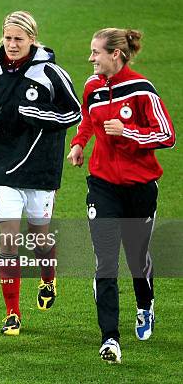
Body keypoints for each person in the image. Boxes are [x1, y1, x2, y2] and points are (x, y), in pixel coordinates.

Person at [0, 11, 81, 336]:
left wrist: (40, 115)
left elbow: (74, 111)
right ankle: (12, 313)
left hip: (40, 167)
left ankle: (48, 279)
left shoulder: (50, 72)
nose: (12, 44)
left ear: (33, 39)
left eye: (19, 39)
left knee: (40, 239)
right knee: (7, 240)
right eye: (8, 38)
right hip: (1, 164)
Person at [67, 28, 175, 364]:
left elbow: (167, 135)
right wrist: (79, 143)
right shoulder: (92, 86)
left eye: (96, 52)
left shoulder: (142, 90)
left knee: (137, 258)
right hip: (102, 185)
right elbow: (87, 118)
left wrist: (127, 131)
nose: (91, 58)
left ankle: (145, 306)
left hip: (140, 187)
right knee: (106, 262)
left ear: (116, 54)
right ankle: (110, 338)